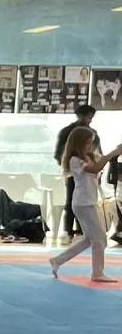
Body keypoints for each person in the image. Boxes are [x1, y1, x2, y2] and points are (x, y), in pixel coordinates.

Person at [49, 127, 122, 283]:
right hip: (82, 203)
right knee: (100, 238)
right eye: (88, 143)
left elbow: (99, 165)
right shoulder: (75, 160)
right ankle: (97, 272)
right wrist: (111, 154)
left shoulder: (90, 157)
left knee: (90, 239)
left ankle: (58, 260)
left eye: (92, 143)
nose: (91, 146)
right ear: (79, 143)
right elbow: (96, 168)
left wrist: (114, 154)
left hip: (88, 202)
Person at [54, 105, 101, 245]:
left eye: (91, 117)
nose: (89, 119)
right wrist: (69, 168)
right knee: (71, 201)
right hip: (74, 171)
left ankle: (82, 231)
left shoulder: (93, 132)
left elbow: (98, 151)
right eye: (88, 116)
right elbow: (60, 153)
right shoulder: (68, 132)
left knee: (87, 202)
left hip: (88, 169)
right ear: (80, 115)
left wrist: (97, 167)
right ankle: (67, 231)